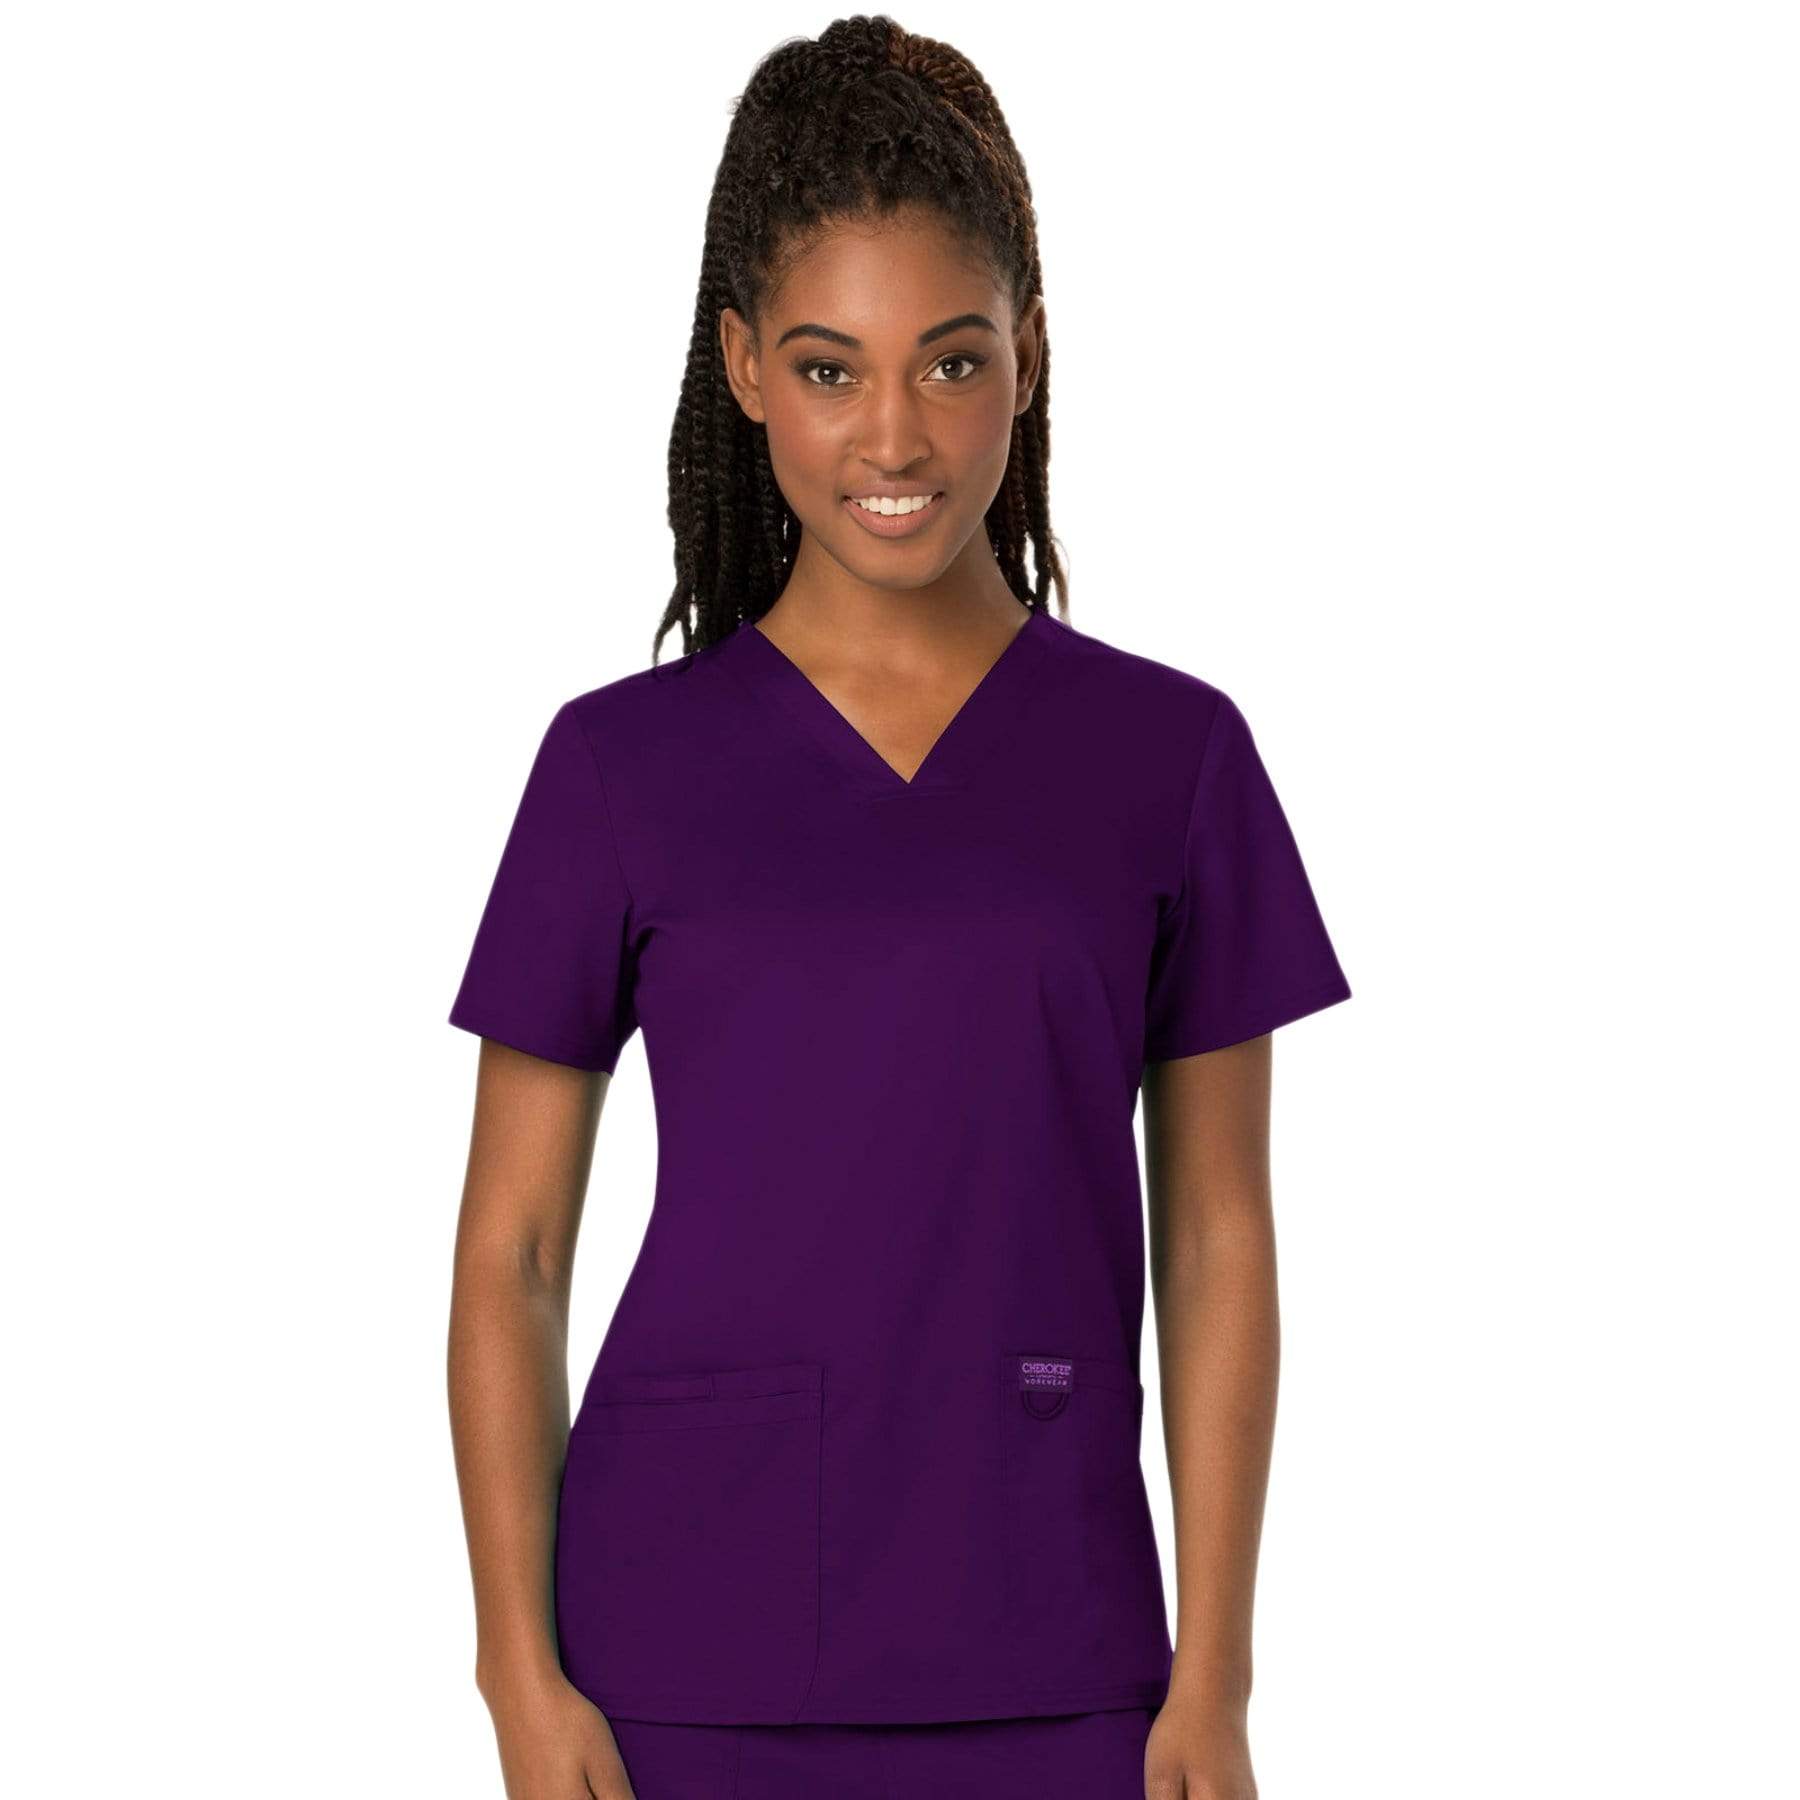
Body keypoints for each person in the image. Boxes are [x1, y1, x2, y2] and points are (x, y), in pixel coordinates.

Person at [445, 16, 1351, 1799]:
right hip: (673, 1654)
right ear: (742, 367)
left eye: (951, 362)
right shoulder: (618, 767)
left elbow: (1219, 1237)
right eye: (827, 366)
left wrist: (1219, 1679)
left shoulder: (1172, 758)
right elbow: (513, 1256)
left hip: (1063, 1648)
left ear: (1029, 356)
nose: (894, 434)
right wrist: (516, 1682)